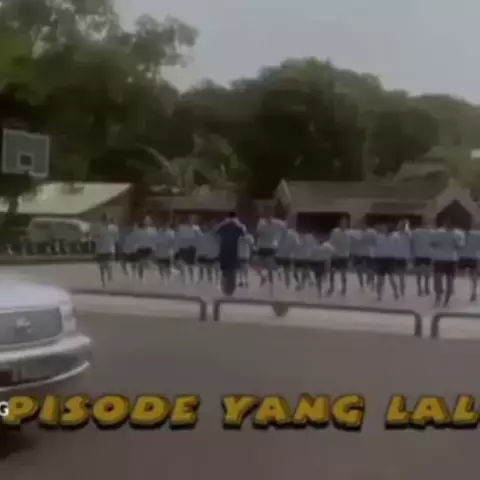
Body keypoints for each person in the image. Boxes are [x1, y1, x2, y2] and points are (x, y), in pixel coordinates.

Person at [430, 218, 465, 308]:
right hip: (446, 259)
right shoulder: (458, 233)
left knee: (443, 280)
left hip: (445, 259)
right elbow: (460, 246)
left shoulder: (439, 232)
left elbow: (432, 244)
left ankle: (442, 300)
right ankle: (442, 300)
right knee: (446, 280)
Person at [214, 212, 247, 296]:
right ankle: (230, 290)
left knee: (225, 271)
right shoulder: (238, 226)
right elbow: (244, 232)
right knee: (232, 272)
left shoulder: (224, 226)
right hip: (233, 252)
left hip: (224, 251)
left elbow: (216, 232)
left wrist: (224, 222)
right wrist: (238, 222)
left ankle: (225, 290)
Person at [256, 208, 287, 293]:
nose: (267, 217)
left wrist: (280, 240)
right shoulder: (261, 223)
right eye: (266, 215)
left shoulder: (277, 223)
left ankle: (271, 285)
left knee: (269, 267)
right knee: (257, 264)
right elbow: (259, 233)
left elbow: (284, 229)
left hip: (270, 247)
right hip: (262, 246)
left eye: (268, 215)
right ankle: (264, 277)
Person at [373, 224, 398, 301]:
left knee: (391, 278)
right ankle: (379, 294)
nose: (383, 230)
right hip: (380, 259)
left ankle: (395, 292)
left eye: (385, 228)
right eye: (382, 228)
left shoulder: (395, 237)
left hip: (390, 259)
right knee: (380, 279)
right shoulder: (377, 237)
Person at [92, 214, 119, 287]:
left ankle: (108, 279)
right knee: (103, 267)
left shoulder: (113, 228)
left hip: (108, 249)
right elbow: (94, 239)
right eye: (105, 219)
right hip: (102, 250)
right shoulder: (99, 228)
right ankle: (104, 281)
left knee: (108, 265)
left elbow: (116, 239)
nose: (106, 221)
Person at [327, 216, 351, 296]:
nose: (343, 224)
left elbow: (351, 244)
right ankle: (331, 287)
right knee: (332, 272)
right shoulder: (335, 231)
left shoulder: (349, 233)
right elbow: (330, 242)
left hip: (344, 256)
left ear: (347, 224)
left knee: (343, 274)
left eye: (345, 222)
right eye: (342, 222)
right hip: (335, 256)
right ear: (340, 223)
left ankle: (344, 288)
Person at [349, 220, 376, 291]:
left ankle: (371, 282)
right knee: (359, 270)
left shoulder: (372, 232)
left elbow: (375, 242)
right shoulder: (354, 233)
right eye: (359, 225)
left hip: (368, 253)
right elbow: (350, 242)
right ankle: (362, 285)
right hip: (358, 254)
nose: (360, 226)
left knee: (370, 269)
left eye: (362, 224)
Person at [175, 215, 202, 284]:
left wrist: (198, 248)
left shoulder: (196, 228)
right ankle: (183, 279)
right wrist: (177, 248)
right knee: (183, 264)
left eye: (193, 219)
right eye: (191, 219)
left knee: (191, 265)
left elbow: (199, 239)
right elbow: (178, 238)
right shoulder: (182, 228)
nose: (192, 221)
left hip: (191, 249)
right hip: (183, 249)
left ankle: (191, 278)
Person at [275, 217, 300, 289]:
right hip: (284, 256)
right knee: (286, 272)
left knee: (286, 271)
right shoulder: (291, 234)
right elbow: (297, 245)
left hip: (284, 256)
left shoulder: (291, 234)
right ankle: (287, 286)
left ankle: (287, 286)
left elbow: (297, 245)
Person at [411, 221, 434, 297]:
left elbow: (411, 243)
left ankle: (420, 289)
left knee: (419, 275)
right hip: (427, 255)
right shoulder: (431, 232)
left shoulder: (415, 232)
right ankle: (426, 289)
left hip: (419, 255)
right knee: (426, 274)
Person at [458, 223, 480, 302]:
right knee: (474, 275)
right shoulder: (477, 235)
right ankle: (473, 291)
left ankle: (473, 291)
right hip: (474, 256)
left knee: (471, 275)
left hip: (464, 257)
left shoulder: (460, 236)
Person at [391, 219, 412, 298]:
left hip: (403, 258)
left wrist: (406, 226)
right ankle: (395, 290)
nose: (400, 226)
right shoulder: (394, 234)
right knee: (391, 276)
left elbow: (409, 236)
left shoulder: (408, 234)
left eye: (402, 225)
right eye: (399, 224)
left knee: (402, 277)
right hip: (394, 257)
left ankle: (402, 291)